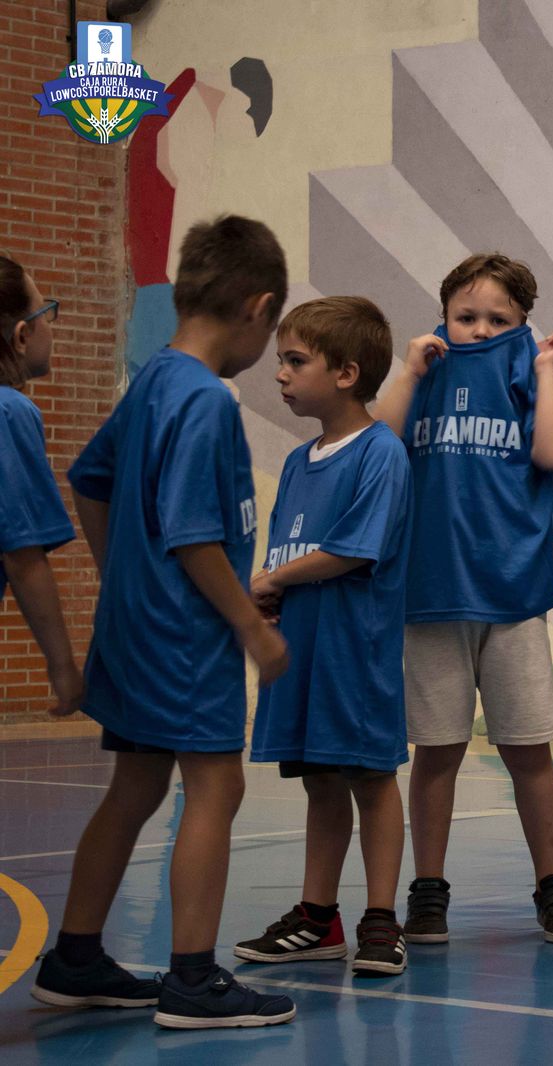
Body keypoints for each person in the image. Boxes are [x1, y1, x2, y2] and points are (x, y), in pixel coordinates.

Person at [33, 216, 298, 1028]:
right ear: (258, 308)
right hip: (185, 638)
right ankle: (192, 979)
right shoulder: (205, 400)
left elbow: (90, 480)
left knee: (137, 783)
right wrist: (249, 626)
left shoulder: (152, 379)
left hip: (135, 626)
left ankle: (76, 958)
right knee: (218, 782)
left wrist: (123, 577)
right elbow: (192, 537)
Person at [372, 253, 553, 943]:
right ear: (443, 315)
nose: (480, 329)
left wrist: (546, 371)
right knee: (437, 751)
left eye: (499, 318)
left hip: (511, 593)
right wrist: (409, 372)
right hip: (432, 594)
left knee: (528, 750)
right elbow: (376, 444)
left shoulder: (528, 367)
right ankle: (428, 892)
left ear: (523, 322)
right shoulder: (426, 370)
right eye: (466, 316)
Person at [232, 297, 414, 975]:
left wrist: (271, 577)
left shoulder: (380, 453)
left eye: (295, 360)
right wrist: (272, 597)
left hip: (353, 652)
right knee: (320, 780)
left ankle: (381, 920)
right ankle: (317, 918)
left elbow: (351, 550)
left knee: (371, 777)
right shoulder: (298, 461)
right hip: (304, 649)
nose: (280, 373)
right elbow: (290, 547)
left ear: (345, 373)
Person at [0, 255, 82, 719]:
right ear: (21, 335)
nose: (52, 327)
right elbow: (23, 554)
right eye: (46, 313)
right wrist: (62, 664)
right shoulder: (8, 412)